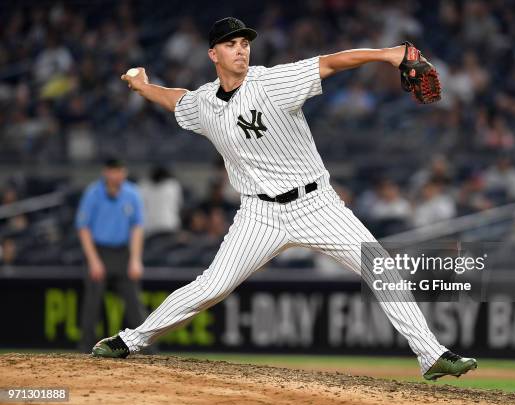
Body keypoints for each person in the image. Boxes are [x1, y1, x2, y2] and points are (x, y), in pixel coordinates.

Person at [92, 17, 477, 381]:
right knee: (212, 287)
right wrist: (143, 86)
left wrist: (391, 54)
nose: (241, 50)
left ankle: (432, 356)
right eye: (231, 45)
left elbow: (330, 63)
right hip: (258, 214)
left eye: (245, 43)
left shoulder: (272, 82)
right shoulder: (205, 103)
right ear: (214, 54)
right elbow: (176, 99)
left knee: (380, 269)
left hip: (316, 204)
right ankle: (131, 340)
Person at [76, 158, 147, 352]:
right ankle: (85, 347)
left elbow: (137, 228)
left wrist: (135, 259)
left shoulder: (131, 193)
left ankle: (146, 348)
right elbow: (83, 229)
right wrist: (94, 261)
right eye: (113, 171)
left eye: (120, 171)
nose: (117, 175)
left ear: (124, 172)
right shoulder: (93, 193)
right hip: (99, 252)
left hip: (123, 253)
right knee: (92, 302)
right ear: (105, 172)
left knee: (134, 303)